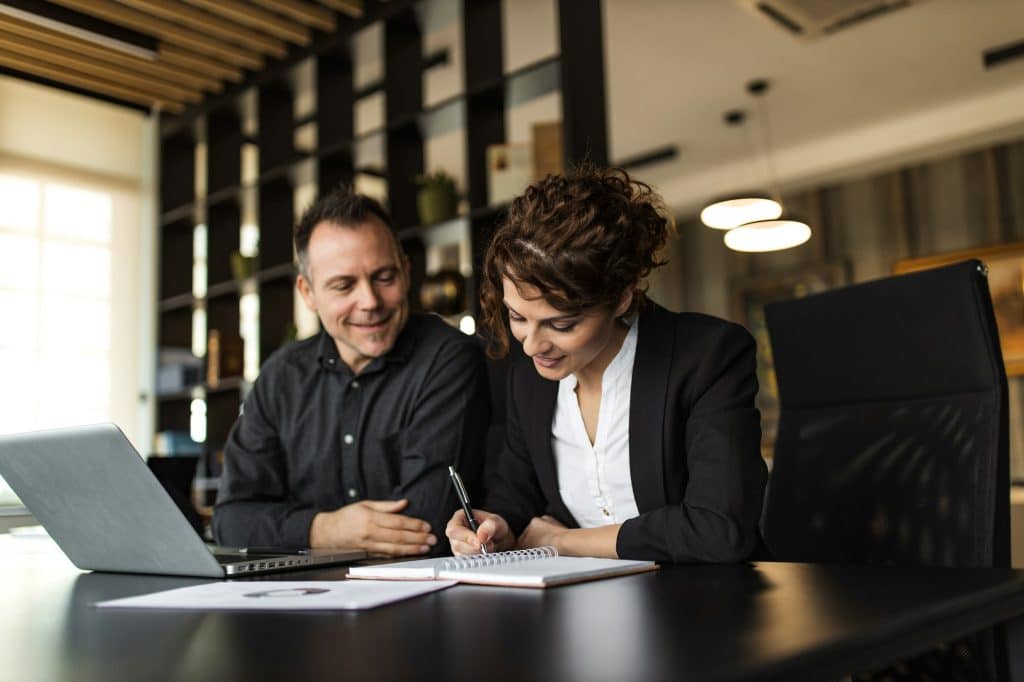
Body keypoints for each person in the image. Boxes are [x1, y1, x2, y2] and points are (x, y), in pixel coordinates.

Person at [446, 166, 767, 563]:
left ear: (621, 298)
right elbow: (515, 500)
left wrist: (564, 542)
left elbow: (720, 529)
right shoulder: (528, 381)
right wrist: (494, 528)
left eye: (561, 324)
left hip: (700, 605)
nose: (531, 345)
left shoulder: (707, 356)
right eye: (517, 317)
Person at [214, 187, 490, 556]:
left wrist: (288, 528)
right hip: (300, 598)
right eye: (344, 285)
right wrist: (324, 530)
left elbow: (425, 528)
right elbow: (231, 520)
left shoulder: (450, 359)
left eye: (384, 277)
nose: (370, 302)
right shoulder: (281, 376)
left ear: (406, 272)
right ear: (307, 293)